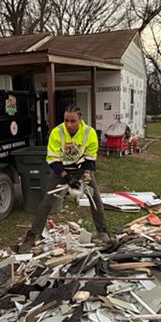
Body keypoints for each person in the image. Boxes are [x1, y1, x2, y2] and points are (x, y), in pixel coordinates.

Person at [21, 104, 110, 248]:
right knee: (47, 202)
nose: (68, 124)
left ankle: (103, 230)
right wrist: (68, 178)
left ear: (80, 119)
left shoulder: (89, 132)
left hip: (81, 169)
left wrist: (87, 175)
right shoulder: (57, 132)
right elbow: (52, 160)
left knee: (95, 198)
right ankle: (33, 234)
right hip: (60, 170)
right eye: (66, 120)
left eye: (72, 121)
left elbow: (91, 158)